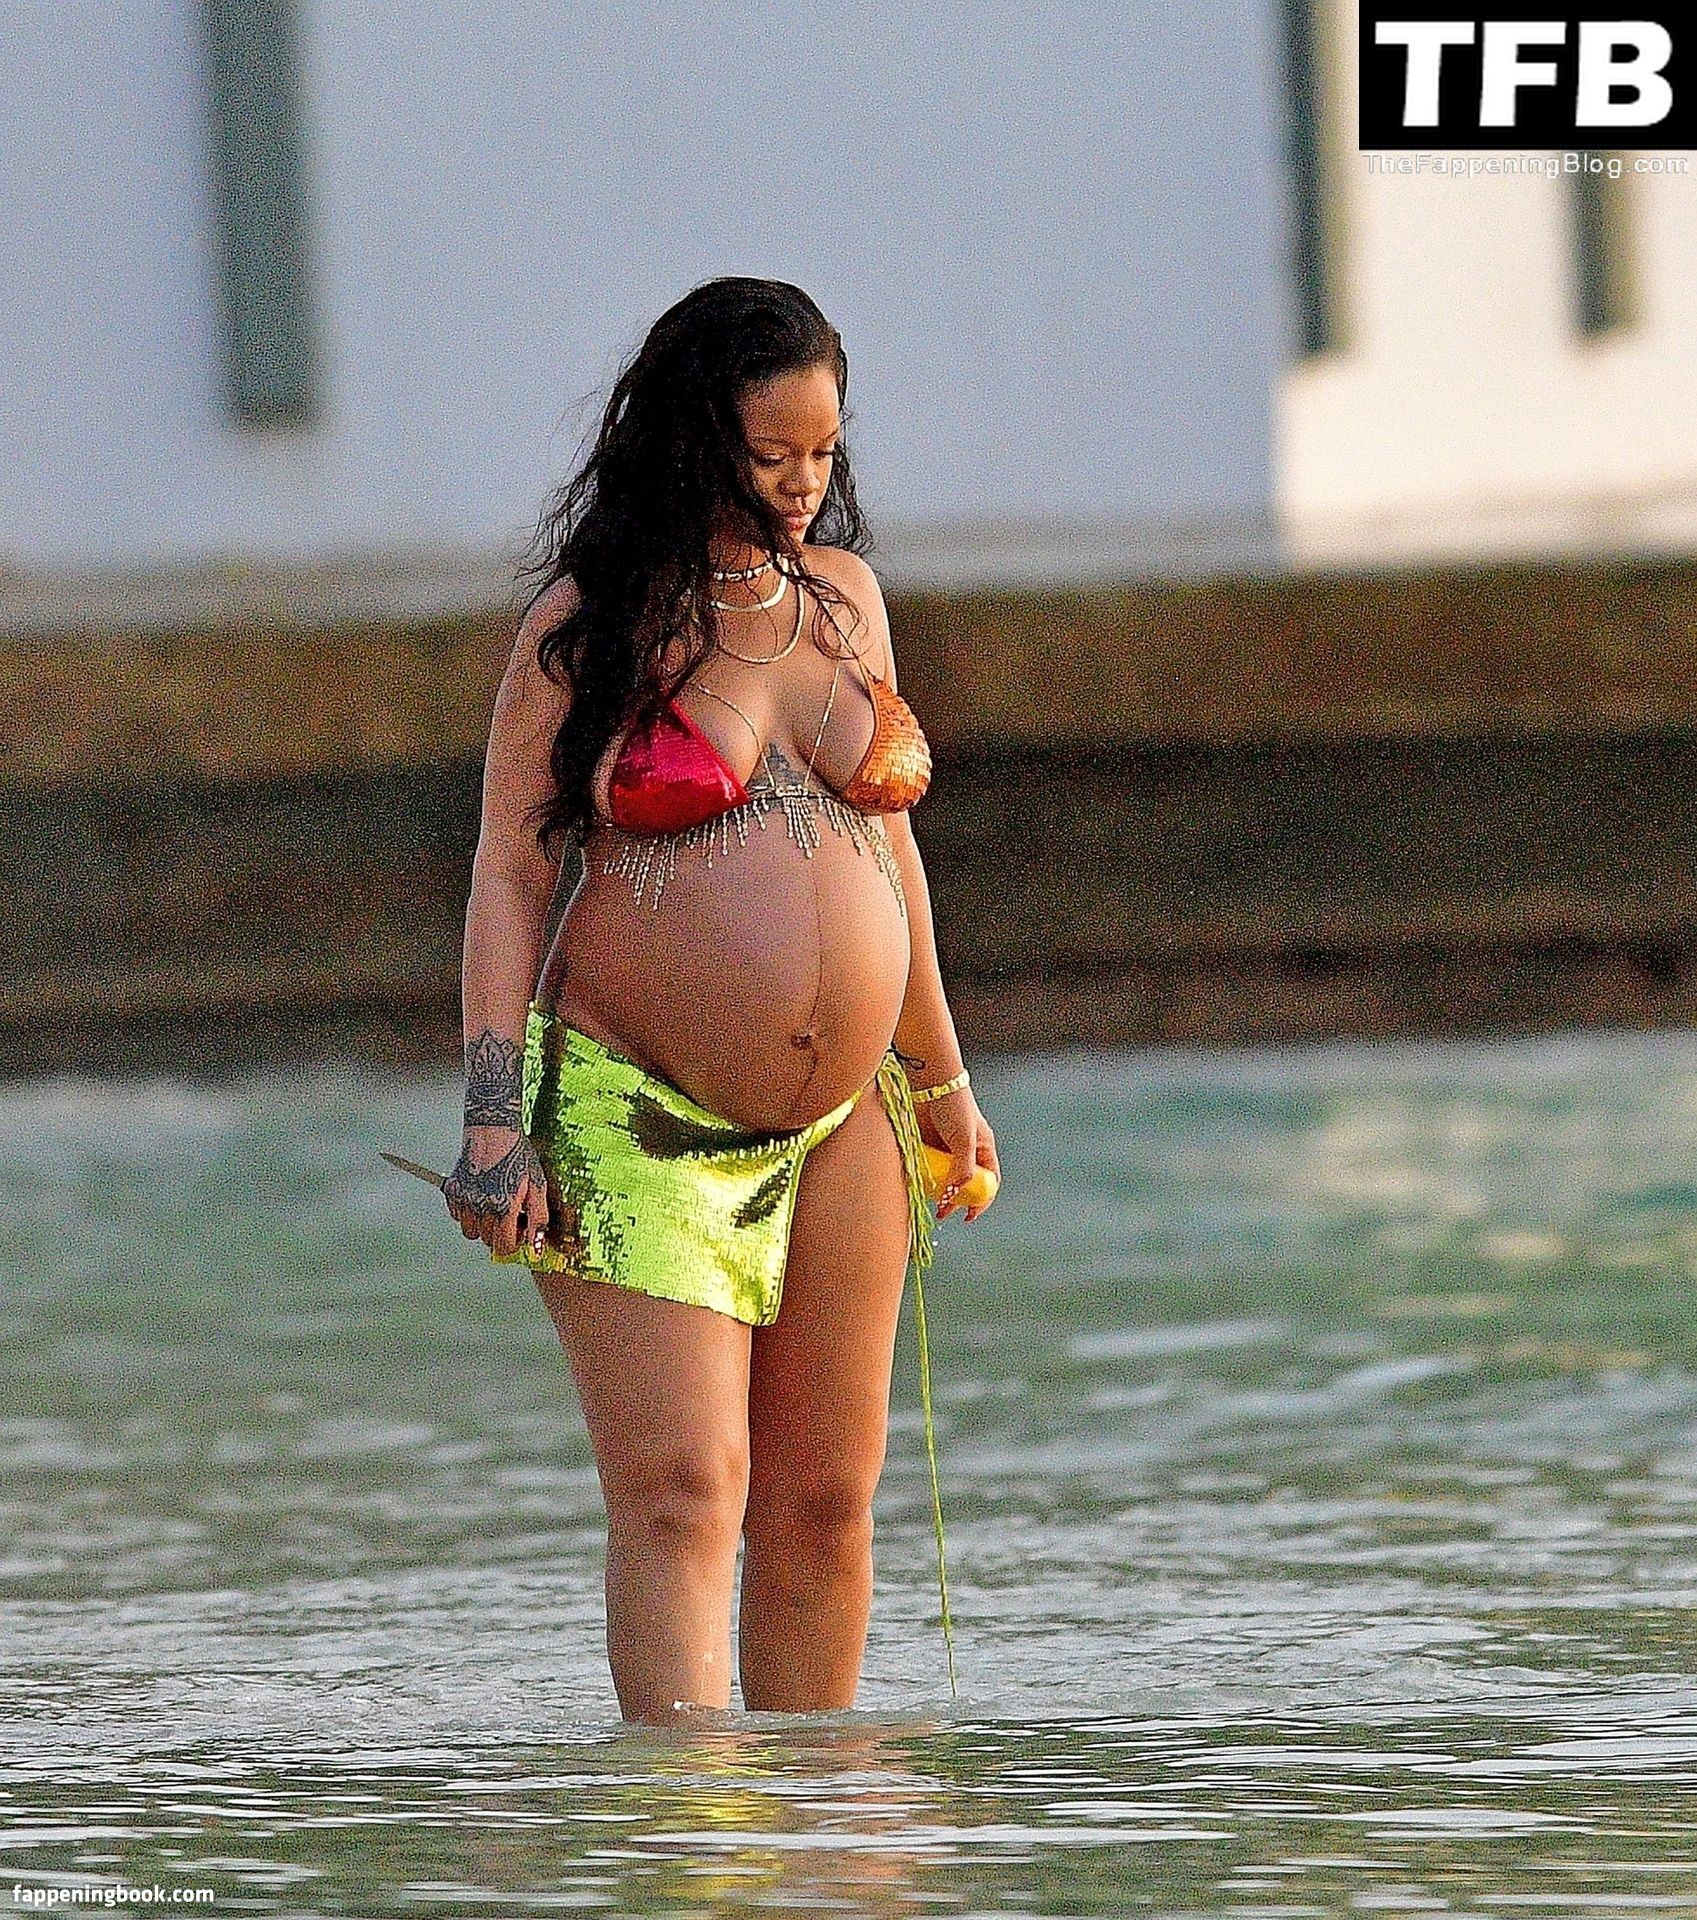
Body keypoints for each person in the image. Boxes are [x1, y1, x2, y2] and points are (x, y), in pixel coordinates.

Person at [444, 275, 1000, 1723]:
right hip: (636, 1104)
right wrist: (495, 1128)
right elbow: (509, 877)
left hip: (848, 1118)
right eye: (770, 454)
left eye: (823, 449)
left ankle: (821, 1824)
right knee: (687, 1491)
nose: (804, 483)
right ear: (692, 440)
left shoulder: (846, 603)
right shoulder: (587, 628)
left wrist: (941, 1079)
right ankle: (683, 1825)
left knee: (827, 1500)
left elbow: (891, 850)